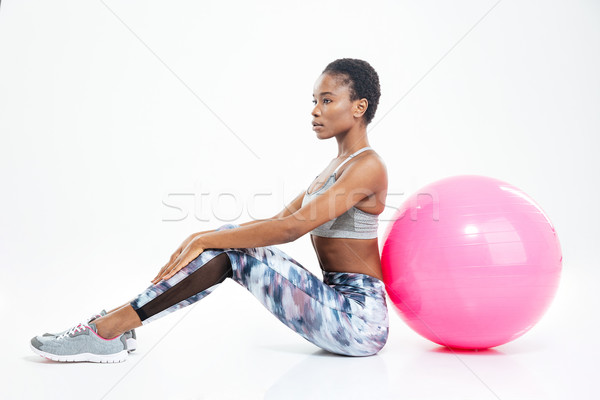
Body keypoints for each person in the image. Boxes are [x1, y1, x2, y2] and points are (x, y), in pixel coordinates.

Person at [30, 58, 389, 363]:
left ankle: (109, 330)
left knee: (233, 249)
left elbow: (291, 229)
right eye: (314, 100)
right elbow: (279, 220)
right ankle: (115, 326)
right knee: (231, 241)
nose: (314, 111)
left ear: (359, 107)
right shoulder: (335, 167)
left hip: (358, 320)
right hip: (335, 303)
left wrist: (204, 239)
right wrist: (206, 237)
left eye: (326, 100)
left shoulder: (367, 166)